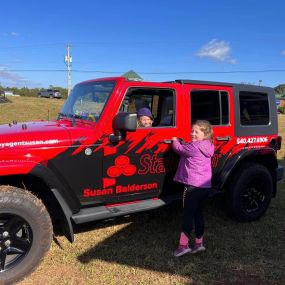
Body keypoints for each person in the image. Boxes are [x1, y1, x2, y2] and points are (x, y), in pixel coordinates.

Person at [172, 120, 214, 257]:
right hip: (205, 186)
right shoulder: (208, 145)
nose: (193, 134)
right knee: (198, 214)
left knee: (187, 215)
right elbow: (189, 146)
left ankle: (183, 246)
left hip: (192, 187)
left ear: (205, 134)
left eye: (196, 132)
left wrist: (174, 140)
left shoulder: (194, 147)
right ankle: (199, 243)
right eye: (192, 131)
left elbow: (179, 149)